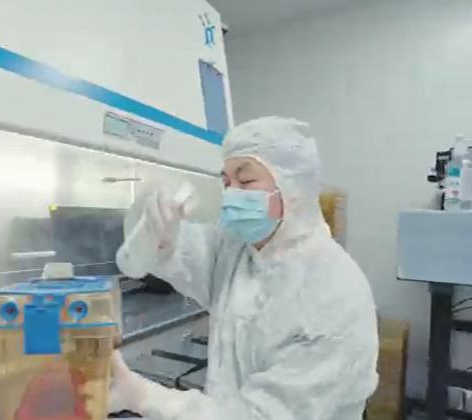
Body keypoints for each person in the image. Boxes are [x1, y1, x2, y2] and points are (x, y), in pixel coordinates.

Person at [110, 117, 379, 420]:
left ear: (293, 189)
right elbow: (157, 257)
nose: (232, 195)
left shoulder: (333, 293)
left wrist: (143, 396)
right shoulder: (238, 251)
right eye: (226, 183)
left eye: (246, 181)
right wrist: (154, 225)